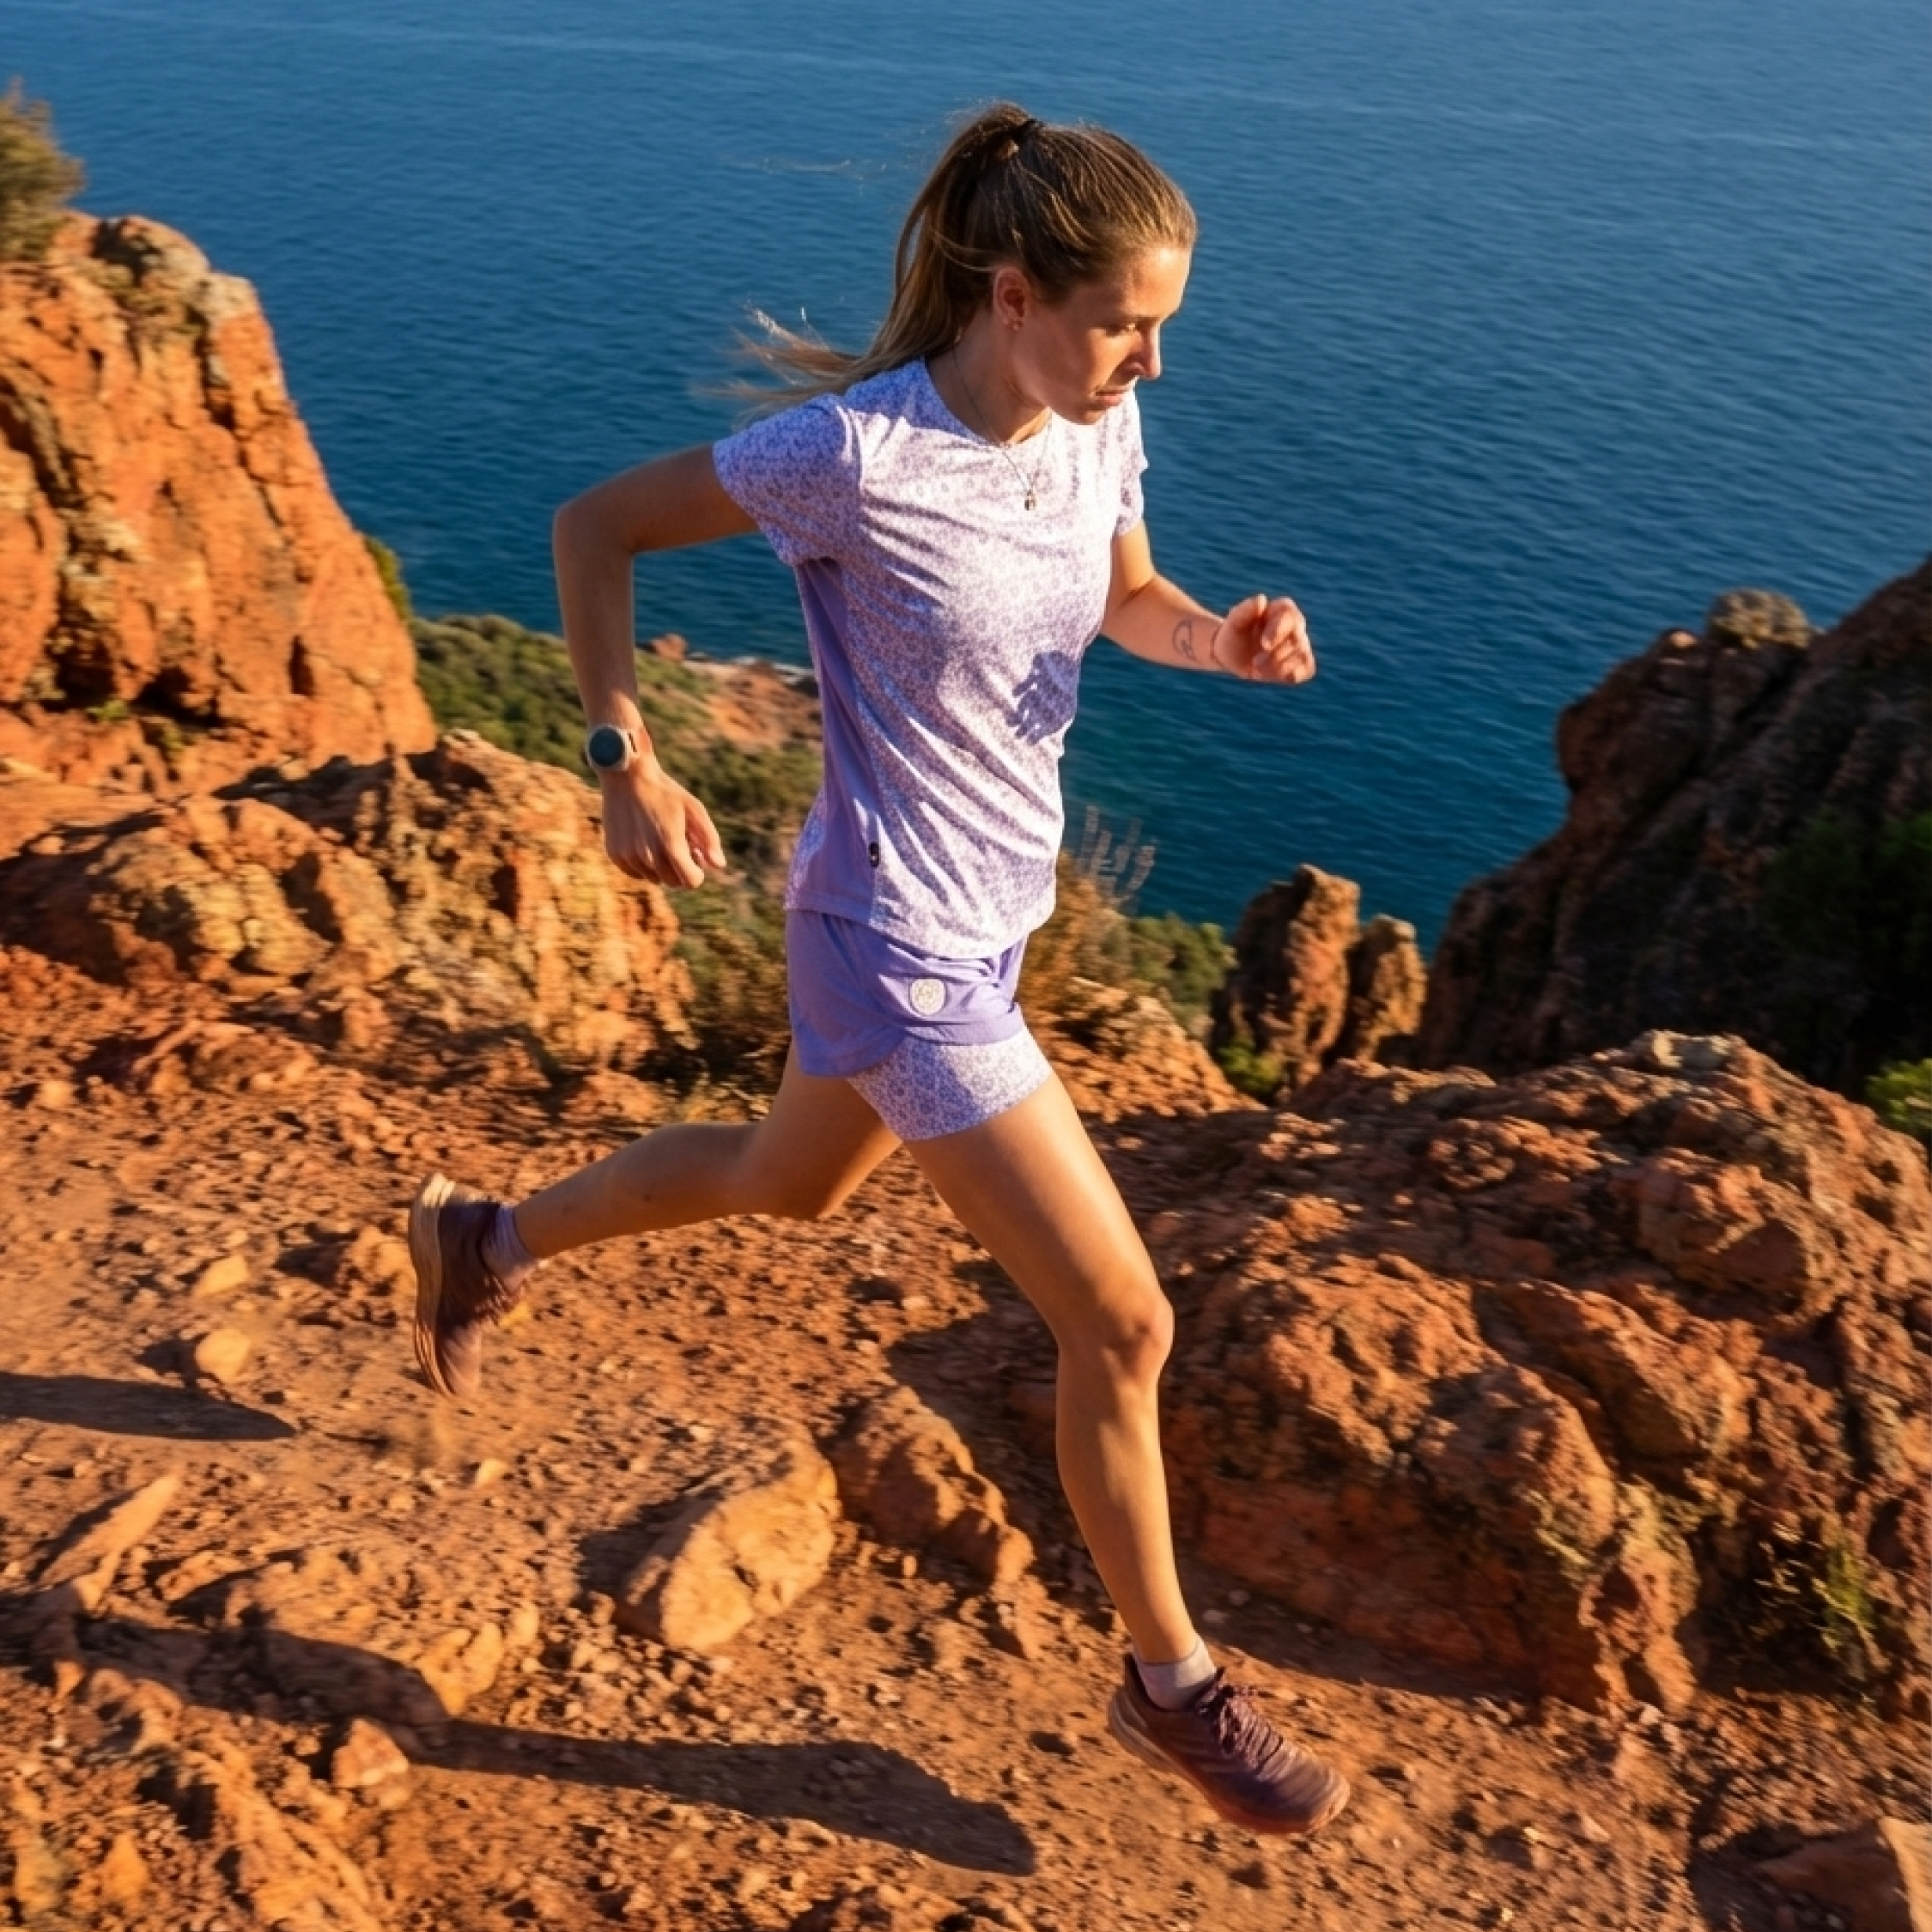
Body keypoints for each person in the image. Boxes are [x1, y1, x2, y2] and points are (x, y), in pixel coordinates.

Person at [407, 102, 1349, 1838]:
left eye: (1165, 329)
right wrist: (628, 758)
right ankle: (1174, 1686)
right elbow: (593, 527)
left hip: (981, 916)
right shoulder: (852, 455)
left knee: (785, 1187)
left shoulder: (1090, 429)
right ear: (1011, 290)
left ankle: (485, 1238)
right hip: (900, 943)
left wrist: (1216, 640)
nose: (1148, 361)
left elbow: (1126, 593)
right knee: (1122, 1322)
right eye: (1124, 322)